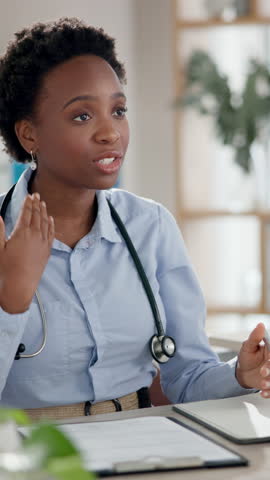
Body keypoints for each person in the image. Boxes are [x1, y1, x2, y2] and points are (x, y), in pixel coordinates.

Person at [0, 17, 269, 421]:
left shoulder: (151, 227)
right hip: (31, 452)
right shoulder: (4, 235)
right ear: (28, 135)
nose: (110, 133)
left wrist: (240, 374)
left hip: (144, 441)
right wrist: (13, 299)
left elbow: (187, 377)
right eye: (82, 117)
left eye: (118, 110)